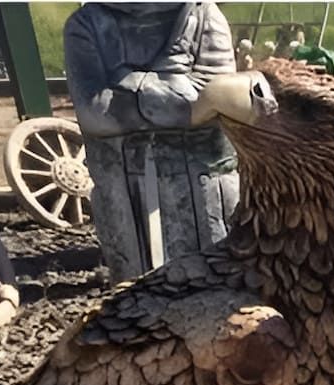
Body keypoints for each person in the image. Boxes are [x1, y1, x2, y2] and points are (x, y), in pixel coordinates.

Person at [64, 2, 240, 283]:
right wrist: (173, 83)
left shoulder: (204, 16)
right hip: (124, 192)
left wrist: (129, 84)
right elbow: (96, 111)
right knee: (135, 292)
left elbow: (215, 100)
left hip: (201, 190)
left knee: (215, 282)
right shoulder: (87, 26)